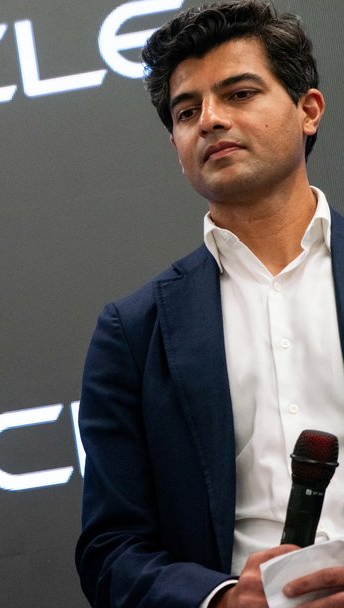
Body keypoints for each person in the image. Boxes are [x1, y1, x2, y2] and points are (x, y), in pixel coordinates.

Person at [75, 1, 344, 606]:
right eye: (187, 111)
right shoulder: (133, 331)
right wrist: (222, 598)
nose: (211, 120)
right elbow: (110, 548)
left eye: (240, 93)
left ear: (308, 110)